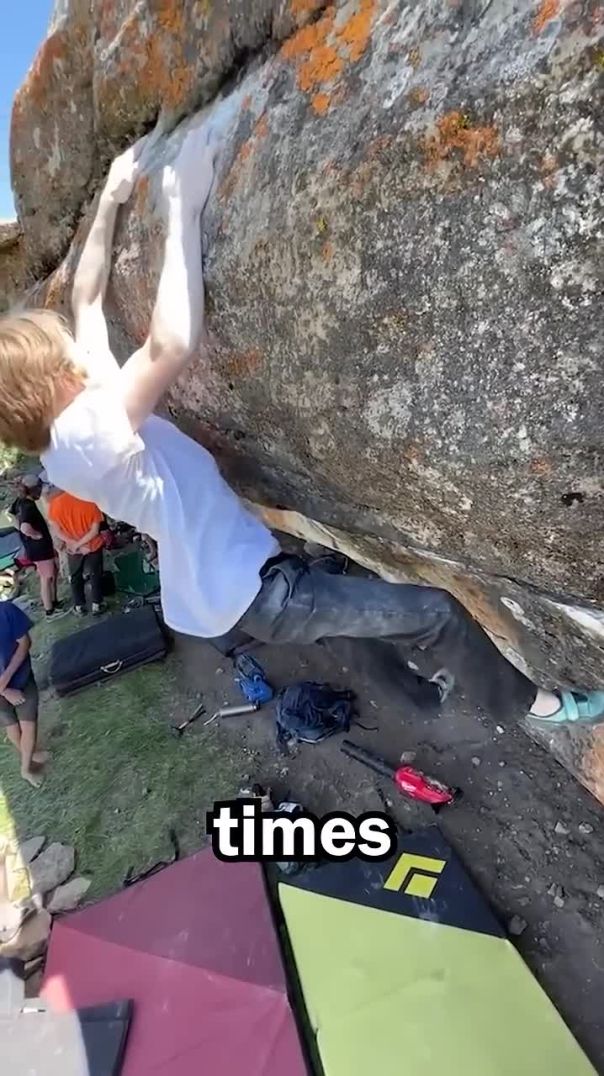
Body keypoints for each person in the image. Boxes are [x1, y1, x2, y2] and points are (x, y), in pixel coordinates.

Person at [0, 128, 602, 729]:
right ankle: (536, 706)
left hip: (228, 591)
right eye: (62, 360)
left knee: (344, 631)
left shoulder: (65, 441)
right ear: (49, 385)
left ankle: (423, 698)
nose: (76, 356)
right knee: (434, 612)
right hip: (258, 592)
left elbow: (86, 300)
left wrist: (110, 198)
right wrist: (183, 205)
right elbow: (171, 342)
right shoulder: (89, 431)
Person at [0, 599, 46, 787]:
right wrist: (4, 689)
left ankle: (27, 763)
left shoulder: (6, 610)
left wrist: (4, 682)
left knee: (20, 725)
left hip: (19, 679)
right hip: (17, 682)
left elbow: (24, 642)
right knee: (20, 725)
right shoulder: (6, 610)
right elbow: (25, 642)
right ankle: (26, 767)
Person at [46, 488, 105, 616]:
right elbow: (94, 531)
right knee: (96, 574)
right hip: (93, 545)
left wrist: (73, 543)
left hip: (73, 549)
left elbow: (55, 529)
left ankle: (79, 606)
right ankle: (97, 604)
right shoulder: (90, 501)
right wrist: (81, 544)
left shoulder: (55, 504)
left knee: (75, 576)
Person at [9, 474, 59, 616]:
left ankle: (54, 601)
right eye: (39, 488)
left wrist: (19, 529)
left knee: (53, 572)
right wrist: (36, 535)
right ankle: (49, 610)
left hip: (34, 547)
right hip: (39, 548)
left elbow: (11, 515)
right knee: (47, 577)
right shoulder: (28, 506)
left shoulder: (19, 501)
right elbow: (26, 527)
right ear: (33, 490)